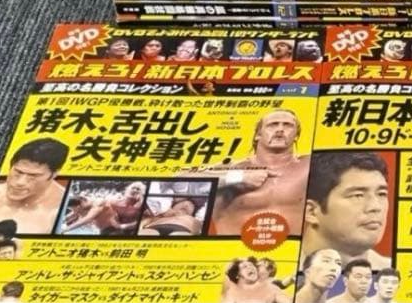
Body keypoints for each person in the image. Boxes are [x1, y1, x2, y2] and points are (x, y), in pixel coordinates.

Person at [207, 108, 311, 236]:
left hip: (291, 246)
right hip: (233, 246)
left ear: (296, 136)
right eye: (273, 125)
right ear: (258, 135)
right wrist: (238, 177)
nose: (280, 129)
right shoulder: (234, 168)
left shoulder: (308, 166)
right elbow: (186, 180)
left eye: (287, 125)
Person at [301, 151, 391, 269]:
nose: (376, 207)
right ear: (312, 211)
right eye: (358, 195)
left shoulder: (397, 270)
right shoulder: (283, 267)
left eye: (381, 194)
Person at [0, 138, 68, 235]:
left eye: (33, 176)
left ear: (54, 174)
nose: (20, 182)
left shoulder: (62, 208)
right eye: (18, 172)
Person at [62, 181, 146, 235]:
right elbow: (76, 213)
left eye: (138, 189)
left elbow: (88, 218)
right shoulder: (113, 201)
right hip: (110, 230)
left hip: (126, 230)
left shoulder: (98, 203)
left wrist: (123, 226)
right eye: (133, 188)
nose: (135, 190)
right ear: (127, 189)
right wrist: (65, 220)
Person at [221, 257, 291, 303]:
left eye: (251, 265)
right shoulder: (231, 294)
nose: (250, 267)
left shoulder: (272, 289)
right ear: (237, 275)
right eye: (245, 267)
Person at [138, 197, 203, 236]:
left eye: (191, 205)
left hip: (182, 230)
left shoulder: (194, 220)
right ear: (173, 206)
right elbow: (145, 221)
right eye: (182, 203)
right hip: (154, 227)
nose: (186, 205)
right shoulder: (161, 213)